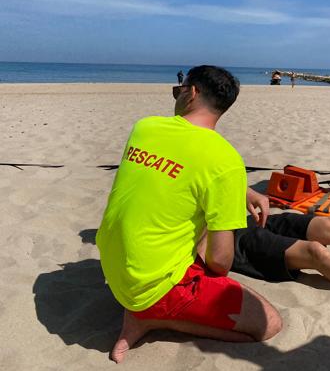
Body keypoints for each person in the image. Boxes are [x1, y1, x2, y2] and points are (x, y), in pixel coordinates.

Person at [96, 65, 282, 363]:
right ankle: (153, 318)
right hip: (149, 286)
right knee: (270, 324)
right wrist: (231, 194)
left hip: (112, 265)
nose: (176, 94)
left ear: (191, 92)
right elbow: (220, 264)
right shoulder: (225, 160)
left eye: (177, 90)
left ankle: (147, 312)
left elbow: (178, 170)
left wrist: (239, 190)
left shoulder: (145, 127)